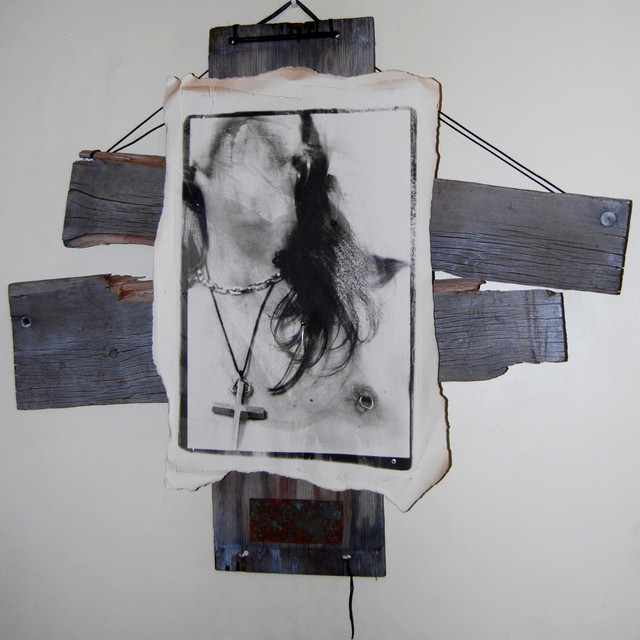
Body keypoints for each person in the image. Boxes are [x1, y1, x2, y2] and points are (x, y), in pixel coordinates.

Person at [181, 111, 412, 463]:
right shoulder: (185, 310)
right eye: (235, 155)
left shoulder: (377, 296)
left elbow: (396, 436)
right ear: (199, 172)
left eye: (283, 161)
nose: (256, 189)